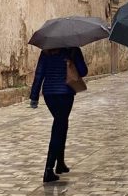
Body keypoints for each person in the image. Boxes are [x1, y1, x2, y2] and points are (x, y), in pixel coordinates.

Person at [30, 47, 88, 183]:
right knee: (59, 126)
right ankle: (48, 169)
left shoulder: (46, 51)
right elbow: (83, 71)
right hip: (65, 93)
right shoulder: (73, 50)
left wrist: (34, 97)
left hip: (49, 94)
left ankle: (60, 163)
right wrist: (72, 60)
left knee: (62, 124)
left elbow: (39, 74)